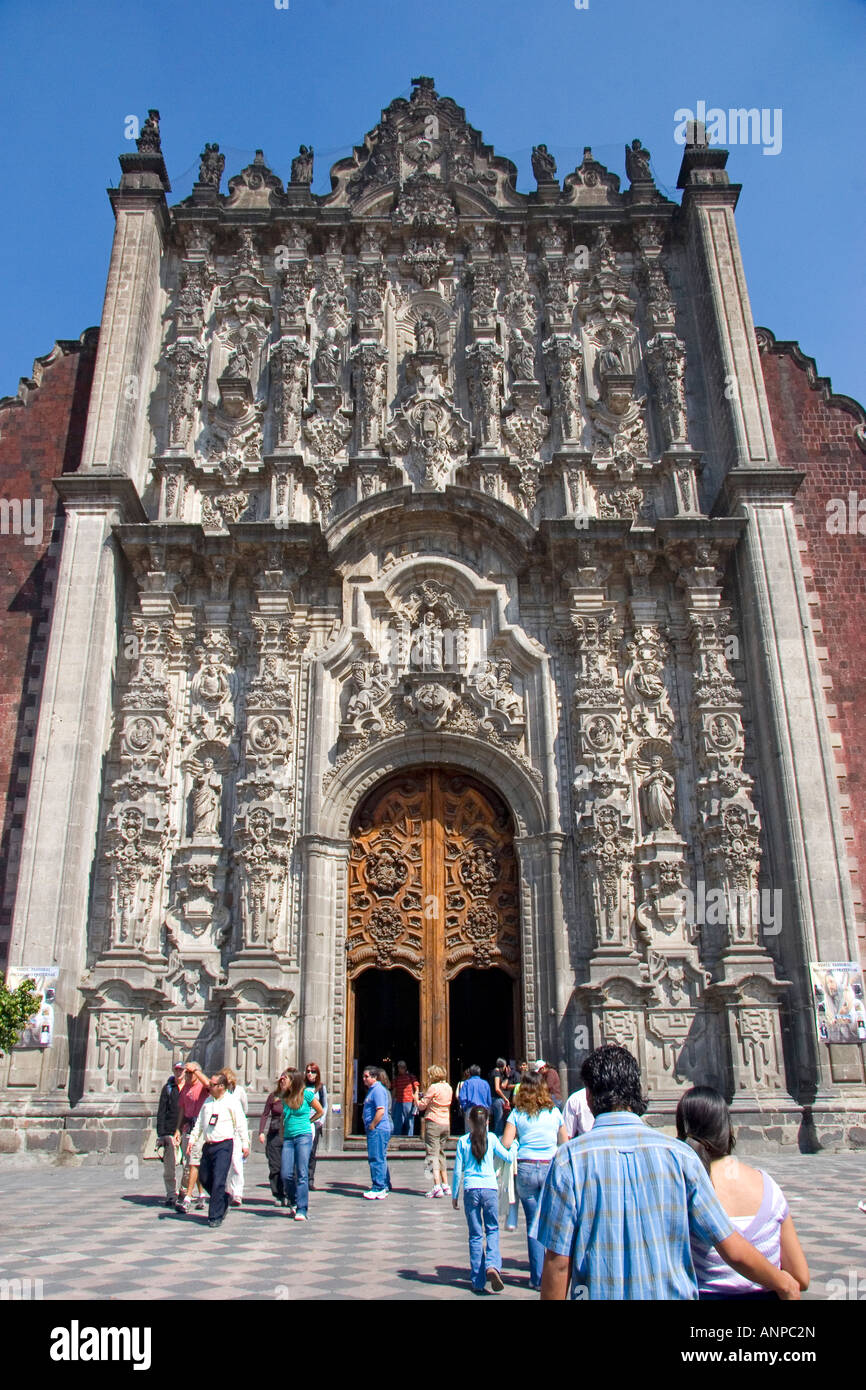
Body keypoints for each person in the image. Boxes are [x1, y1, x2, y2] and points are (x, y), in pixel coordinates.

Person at [533, 1045, 802, 1301]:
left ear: (589, 1097)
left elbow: (558, 1263)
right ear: (636, 1091)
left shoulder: (569, 1160)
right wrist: (783, 1282)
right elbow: (730, 1245)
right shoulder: (681, 1156)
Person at [676, 1087, 809, 1299]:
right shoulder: (768, 1186)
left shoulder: (682, 1190)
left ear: (682, 1132)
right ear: (728, 1128)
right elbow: (801, 1277)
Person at [502, 1071, 566, 1291]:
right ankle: (554, 1276)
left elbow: (507, 1143)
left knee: (533, 1224)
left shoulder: (518, 1113)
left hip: (527, 1167)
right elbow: (565, 1143)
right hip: (550, 1168)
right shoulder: (554, 1112)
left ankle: (537, 1278)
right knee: (552, 1223)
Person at [452, 1105, 514, 1294]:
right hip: (489, 1188)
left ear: (469, 1121)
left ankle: (478, 1280)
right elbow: (509, 1157)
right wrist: (516, 1145)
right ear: (487, 1122)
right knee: (492, 1229)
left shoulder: (463, 1142)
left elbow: (457, 1171)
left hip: (471, 1189)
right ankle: (493, 1265)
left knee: (475, 1235)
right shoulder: (493, 1139)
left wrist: (455, 1194)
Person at [186, 1071, 250, 1228]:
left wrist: (245, 1143)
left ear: (221, 1086)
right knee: (205, 1177)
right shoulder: (208, 1101)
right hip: (208, 1145)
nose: (209, 1087)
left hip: (224, 1145)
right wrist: (193, 1139)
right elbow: (200, 1122)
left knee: (219, 1179)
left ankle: (215, 1215)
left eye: (212, 1085)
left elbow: (241, 1122)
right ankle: (224, 1198)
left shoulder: (232, 1101)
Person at [280, 1069, 324, 1221]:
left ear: (293, 1080)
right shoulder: (284, 1096)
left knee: (302, 1172)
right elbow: (283, 1118)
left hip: (303, 1136)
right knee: (286, 1173)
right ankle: (293, 1200)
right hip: (288, 1138)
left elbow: (319, 1111)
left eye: (284, 1078)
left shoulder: (307, 1094)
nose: (282, 1080)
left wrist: (309, 1122)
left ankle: (302, 1208)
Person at [174, 1060, 211, 1213]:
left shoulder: (202, 1087)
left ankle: (187, 1195)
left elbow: (210, 1085)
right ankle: (200, 1194)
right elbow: (182, 1110)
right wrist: (177, 1129)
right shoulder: (185, 1088)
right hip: (188, 1126)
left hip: (200, 1127)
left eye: (190, 1073)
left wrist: (196, 1071)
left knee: (193, 1161)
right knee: (190, 1162)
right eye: (186, 1073)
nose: (188, 1075)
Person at [415, 1064, 452, 1197]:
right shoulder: (448, 1087)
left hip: (434, 1123)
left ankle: (436, 1185)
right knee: (441, 1153)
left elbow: (421, 1106)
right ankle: (446, 1185)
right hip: (445, 1123)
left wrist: (416, 1097)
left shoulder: (434, 1087)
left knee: (432, 1154)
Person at [156, 1061, 185, 1206]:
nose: (179, 1072)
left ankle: (185, 1192)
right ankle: (171, 1194)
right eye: (177, 1070)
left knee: (189, 1165)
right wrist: (161, 1134)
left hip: (186, 1130)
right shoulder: (167, 1088)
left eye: (181, 1070)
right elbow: (161, 1112)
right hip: (169, 1131)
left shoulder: (189, 1088)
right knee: (169, 1166)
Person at [362, 1064, 393, 1199]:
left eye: (366, 1076)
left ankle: (378, 1187)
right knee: (378, 1157)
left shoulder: (378, 1090)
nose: (363, 1079)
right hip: (377, 1129)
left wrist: (372, 1125)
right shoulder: (372, 1090)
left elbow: (381, 1110)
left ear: (374, 1077)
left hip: (378, 1129)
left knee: (376, 1158)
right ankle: (382, 1185)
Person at [258, 1071, 288, 1204]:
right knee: (275, 1166)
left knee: (287, 1166)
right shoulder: (273, 1096)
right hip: (274, 1134)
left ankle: (288, 1193)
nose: (282, 1082)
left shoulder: (293, 1097)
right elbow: (265, 1114)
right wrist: (261, 1132)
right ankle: (278, 1194)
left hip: (288, 1133)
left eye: (285, 1080)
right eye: (281, 1080)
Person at [222, 1067, 248, 1207]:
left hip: (236, 1131)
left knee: (236, 1163)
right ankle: (227, 1190)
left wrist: (245, 1141)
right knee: (224, 1163)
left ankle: (237, 1192)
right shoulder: (220, 1093)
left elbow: (245, 1110)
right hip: (223, 1131)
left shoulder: (239, 1091)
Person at [304, 1062, 328, 1190]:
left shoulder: (320, 1087)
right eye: (308, 1071)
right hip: (302, 1122)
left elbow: (325, 1105)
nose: (310, 1074)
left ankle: (310, 1179)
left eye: (313, 1072)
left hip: (314, 1123)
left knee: (312, 1152)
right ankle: (301, 1177)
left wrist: (321, 1122)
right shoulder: (302, 1087)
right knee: (302, 1151)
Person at [457, 1065, 492, 1131]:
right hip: (483, 1110)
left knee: (469, 1134)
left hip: (471, 1109)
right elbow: (489, 1100)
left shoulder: (467, 1083)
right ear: (479, 1073)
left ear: (470, 1073)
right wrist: (488, 1110)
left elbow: (462, 1098)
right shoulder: (485, 1083)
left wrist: (465, 1108)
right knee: (483, 1133)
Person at [391, 1060, 418, 1137]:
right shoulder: (396, 1078)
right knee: (398, 1122)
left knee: (409, 1122)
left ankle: (410, 1137)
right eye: (399, 1067)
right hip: (399, 1102)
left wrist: (415, 1099)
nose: (401, 1069)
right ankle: (396, 1138)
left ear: (405, 1068)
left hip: (409, 1102)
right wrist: (392, 1101)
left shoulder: (411, 1077)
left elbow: (416, 1088)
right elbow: (394, 1090)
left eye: (402, 1067)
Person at [489, 1058, 511, 1137]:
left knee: (498, 1121)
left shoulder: (495, 1073)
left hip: (494, 1099)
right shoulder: (497, 1073)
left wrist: (507, 1076)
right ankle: (498, 1139)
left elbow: (503, 1085)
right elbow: (497, 1088)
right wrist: (505, 1098)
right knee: (499, 1122)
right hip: (497, 1099)